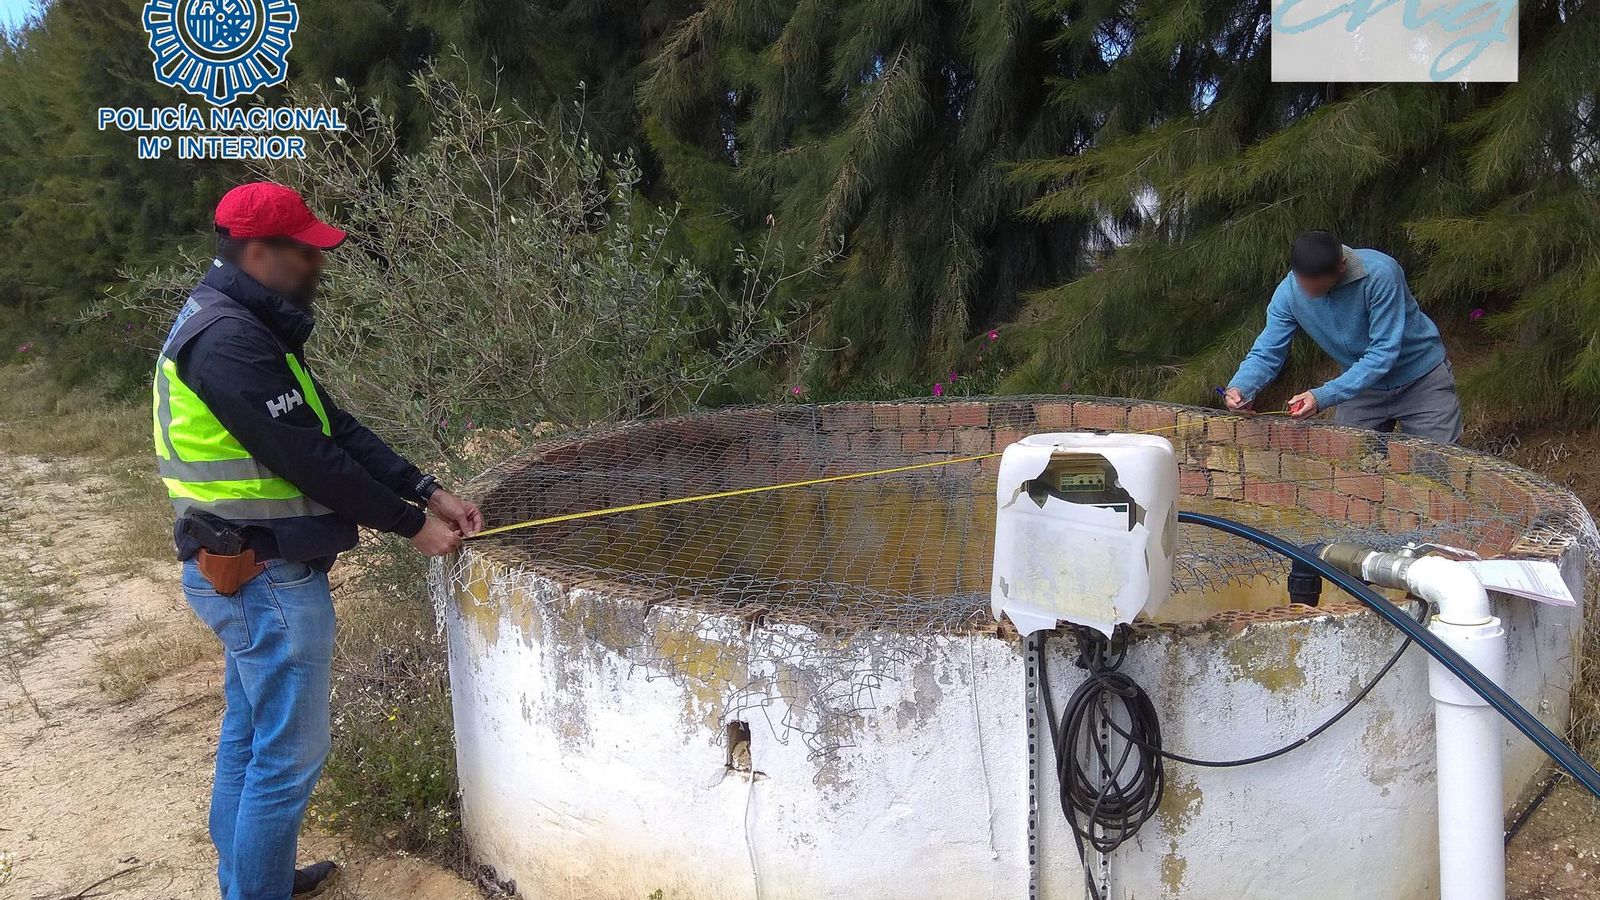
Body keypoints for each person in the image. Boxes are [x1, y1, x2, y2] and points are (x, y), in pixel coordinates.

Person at [153, 182, 482, 900]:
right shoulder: (228, 342)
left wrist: (425, 488)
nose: (316, 266)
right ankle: (256, 888)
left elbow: (335, 426)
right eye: (305, 254)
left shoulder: (243, 324)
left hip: (249, 569)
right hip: (262, 577)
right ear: (259, 252)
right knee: (286, 759)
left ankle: (253, 878)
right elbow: (310, 457)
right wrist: (409, 526)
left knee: (251, 736)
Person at [1224, 230, 1463, 443]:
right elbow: (1267, 350)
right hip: (1360, 389)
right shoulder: (1289, 293)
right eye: (1302, 283)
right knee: (1349, 469)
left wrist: (1322, 396)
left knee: (1435, 469)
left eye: (1316, 287)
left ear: (1341, 266)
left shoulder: (1380, 274)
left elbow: (1383, 353)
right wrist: (1242, 387)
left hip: (1421, 380)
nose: (1307, 292)